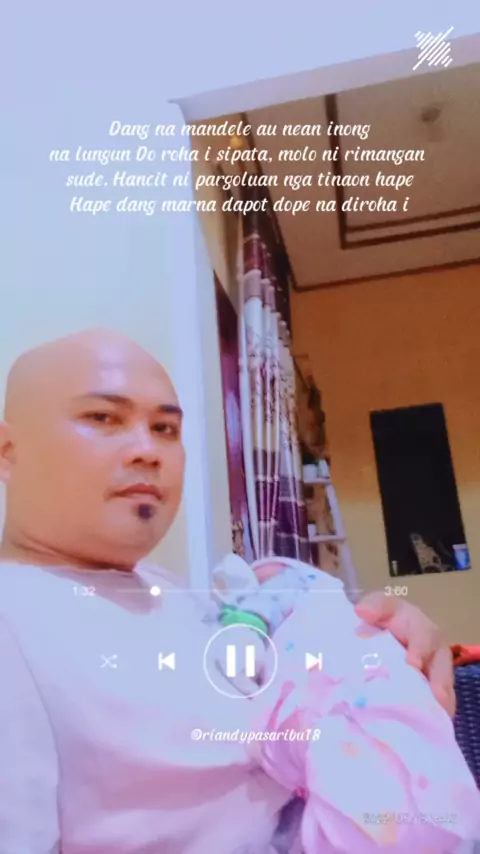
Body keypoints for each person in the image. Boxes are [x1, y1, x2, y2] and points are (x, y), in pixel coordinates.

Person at [0, 328, 469, 854]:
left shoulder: (171, 592)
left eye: (164, 428)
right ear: (7, 452)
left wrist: (384, 643)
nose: (148, 451)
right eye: (103, 418)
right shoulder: (14, 623)